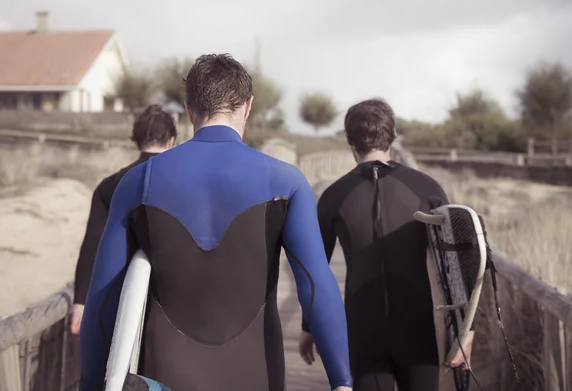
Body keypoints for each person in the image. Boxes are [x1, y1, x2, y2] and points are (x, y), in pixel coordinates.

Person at [79, 54, 353, 391]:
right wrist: (342, 379)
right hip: (257, 374)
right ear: (248, 107)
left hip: (164, 376)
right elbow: (314, 286)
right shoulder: (286, 182)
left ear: (190, 110)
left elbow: (103, 301)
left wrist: (91, 383)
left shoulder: (139, 182)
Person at [298, 98, 472, 390]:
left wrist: (308, 326)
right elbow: (452, 263)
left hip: (363, 331)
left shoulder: (334, 196)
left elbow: (315, 269)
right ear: (392, 136)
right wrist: (465, 331)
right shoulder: (426, 188)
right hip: (417, 329)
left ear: (351, 141)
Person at [70, 105, 177, 339]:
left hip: (120, 300)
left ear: (137, 141)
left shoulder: (110, 185)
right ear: (172, 141)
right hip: (175, 300)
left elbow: (92, 246)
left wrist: (80, 302)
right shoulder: (186, 181)